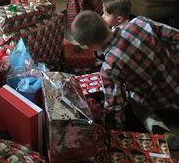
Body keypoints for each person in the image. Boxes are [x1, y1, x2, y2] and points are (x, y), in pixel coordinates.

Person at [71, 10, 179, 150]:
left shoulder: (109, 67)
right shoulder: (140, 23)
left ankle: (160, 129)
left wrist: (113, 131)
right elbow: (175, 36)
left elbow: (116, 106)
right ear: (104, 22)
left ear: (89, 47)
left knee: (132, 98)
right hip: (175, 80)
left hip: (159, 102)